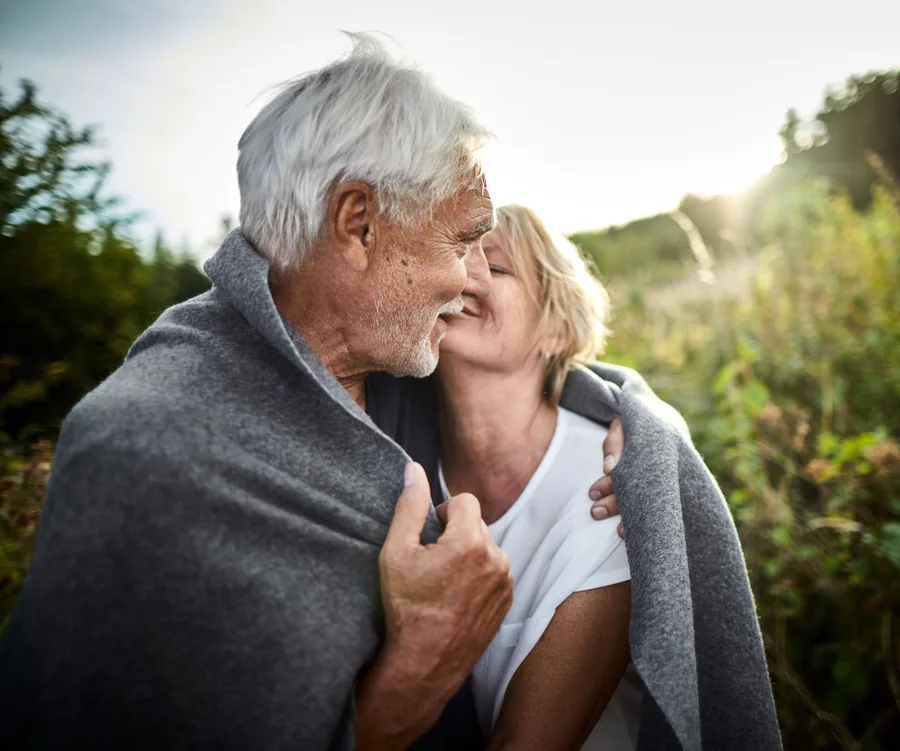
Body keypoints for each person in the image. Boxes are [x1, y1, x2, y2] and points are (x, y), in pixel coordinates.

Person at [0, 35, 621, 751]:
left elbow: (537, 370)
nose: (466, 281)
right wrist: (425, 661)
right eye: (458, 243)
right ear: (357, 224)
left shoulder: (382, 367)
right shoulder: (144, 453)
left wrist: (631, 416)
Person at [435, 205, 638, 749]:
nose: (463, 277)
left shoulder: (611, 488)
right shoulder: (396, 456)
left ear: (554, 328)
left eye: (495, 268)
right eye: (454, 257)